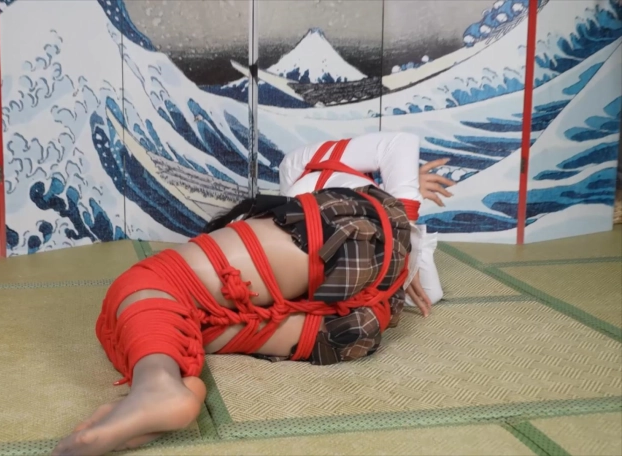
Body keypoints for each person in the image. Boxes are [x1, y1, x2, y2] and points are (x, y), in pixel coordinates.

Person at [52, 132, 454, 456]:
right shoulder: (348, 191)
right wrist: (407, 235)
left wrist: (404, 216)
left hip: (348, 234)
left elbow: (398, 143)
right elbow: (429, 292)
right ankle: (164, 383)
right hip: (356, 324)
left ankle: (155, 383)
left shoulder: (310, 170)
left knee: (151, 280)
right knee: (177, 317)